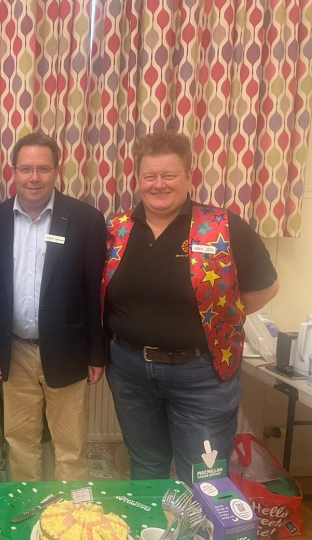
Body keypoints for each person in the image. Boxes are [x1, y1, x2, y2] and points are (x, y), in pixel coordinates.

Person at [102, 131, 279, 481]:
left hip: (202, 375)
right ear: (138, 179)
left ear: (188, 177)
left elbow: (265, 289)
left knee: (204, 476)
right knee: (147, 467)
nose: (158, 185)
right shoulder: (116, 229)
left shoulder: (222, 227)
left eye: (169, 176)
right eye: (150, 176)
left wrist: (221, 316)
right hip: (130, 371)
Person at [0, 132, 107, 481]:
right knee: (19, 442)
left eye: (43, 169)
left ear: (56, 171)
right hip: (14, 351)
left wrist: (98, 353)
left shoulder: (86, 220)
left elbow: (97, 293)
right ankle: (25, 518)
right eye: (26, 169)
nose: (34, 177)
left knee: (70, 447)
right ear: (13, 171)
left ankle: (70, 526)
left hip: (69, 352)